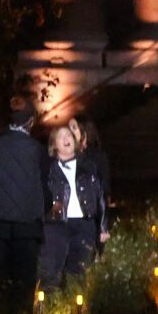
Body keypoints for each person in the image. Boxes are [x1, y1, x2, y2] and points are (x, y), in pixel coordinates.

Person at [0, 98, 49, 299]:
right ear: (31, 121)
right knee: (21, 290)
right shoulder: (37, 150)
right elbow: (44, 189)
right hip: (26, 227)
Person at [40, 123, 110, 289]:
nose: (67, 139)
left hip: (84, 225)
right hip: (56, 225)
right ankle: (50, 309)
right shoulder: (46, 169)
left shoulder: (89, 166)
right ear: (54, 145)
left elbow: (100, 197)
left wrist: (103, 227)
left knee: (80, 274)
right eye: (61, 136)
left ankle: (78, 311)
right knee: (52, 274)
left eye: (69, 135)